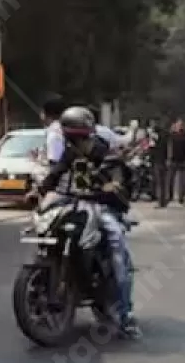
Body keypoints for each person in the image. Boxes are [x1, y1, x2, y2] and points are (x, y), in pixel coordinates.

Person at [38, 106, 140, 339]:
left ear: (89, 135)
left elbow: (119, 178)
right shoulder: (71, 152)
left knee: (116, 245)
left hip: (102, 206)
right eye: (70, 139)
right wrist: (40, 190)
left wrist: (112, 186)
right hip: (74, 202)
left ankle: (125, 315)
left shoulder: (106, 153)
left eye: (79, 138)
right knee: (46, 226)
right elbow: (57, 172)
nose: (75, 144)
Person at [160, 119, 185, 207]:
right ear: (175, 126)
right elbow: (167, 148)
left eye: (181, 125)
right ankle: (169, 197)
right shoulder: (171, 136)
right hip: (173, 160)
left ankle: (181, 198)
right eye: (178, 125)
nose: (180, 127)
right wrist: (167, 158)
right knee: (170, 180)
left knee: (183, 181)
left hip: (183, 160)